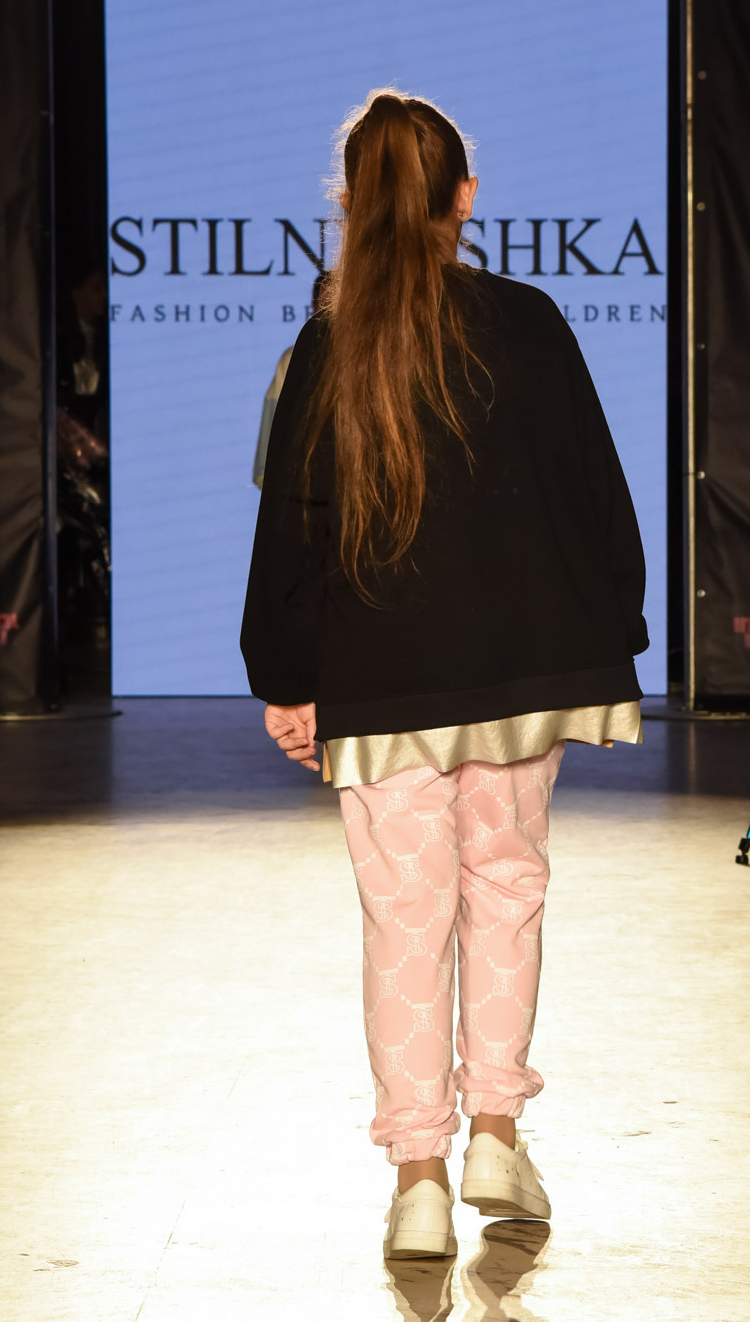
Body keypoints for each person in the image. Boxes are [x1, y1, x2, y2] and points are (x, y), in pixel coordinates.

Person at [241, 90, 648, 1261]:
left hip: (386, 676)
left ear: (350, 201)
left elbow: (292, 527)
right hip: (524, 669)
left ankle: (417, 1179)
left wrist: (286, 675)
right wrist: (607, 631)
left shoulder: (329, 343)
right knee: (506, 891)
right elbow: (595, 492)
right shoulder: (529, 321)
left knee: (404, 919)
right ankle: (495, 1138)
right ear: (465, 196)